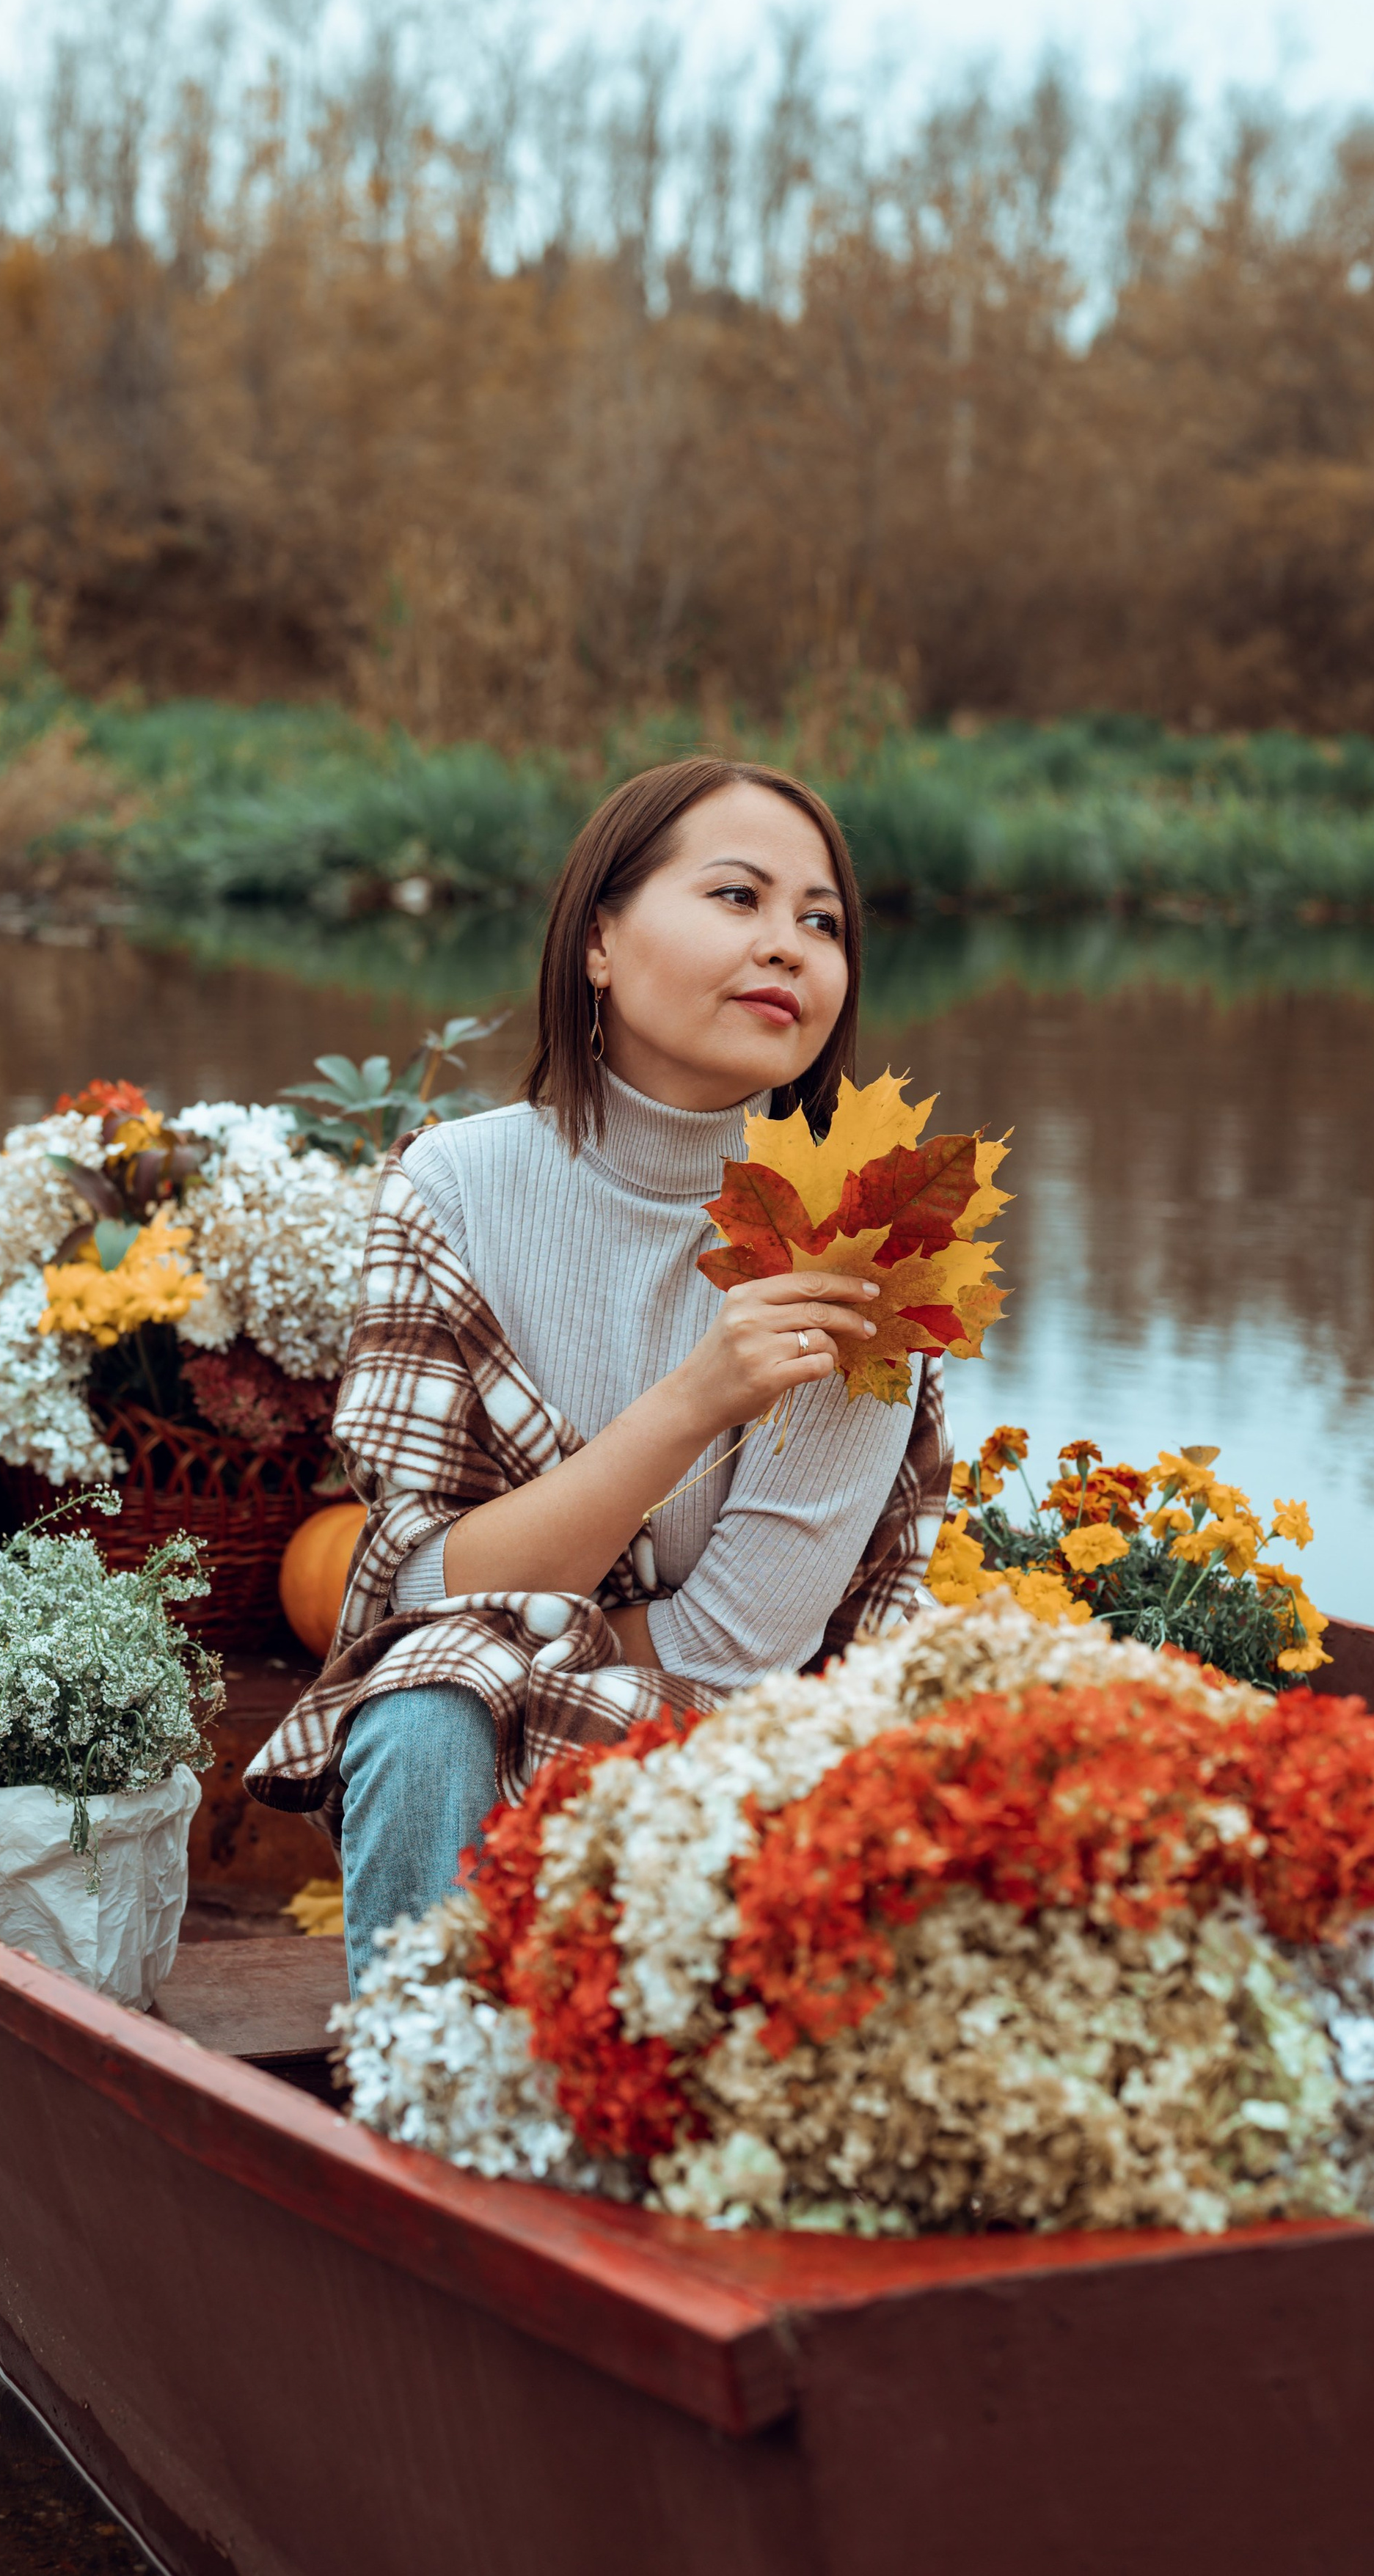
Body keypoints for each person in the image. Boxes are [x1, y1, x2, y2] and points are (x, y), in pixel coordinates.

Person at [246, 758, 951, 1988]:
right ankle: (415, 2067)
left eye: (823, 922)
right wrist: (698, 1400)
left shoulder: (859, 1245)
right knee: (425, 1705)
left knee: (457, 1672)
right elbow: (416, 1588)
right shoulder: (454, 1188)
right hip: (469, 1716)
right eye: (737, 896)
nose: (787, 945)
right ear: (600, 943)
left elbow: (737, 1655)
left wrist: (508, 1612)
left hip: (754, 1755)